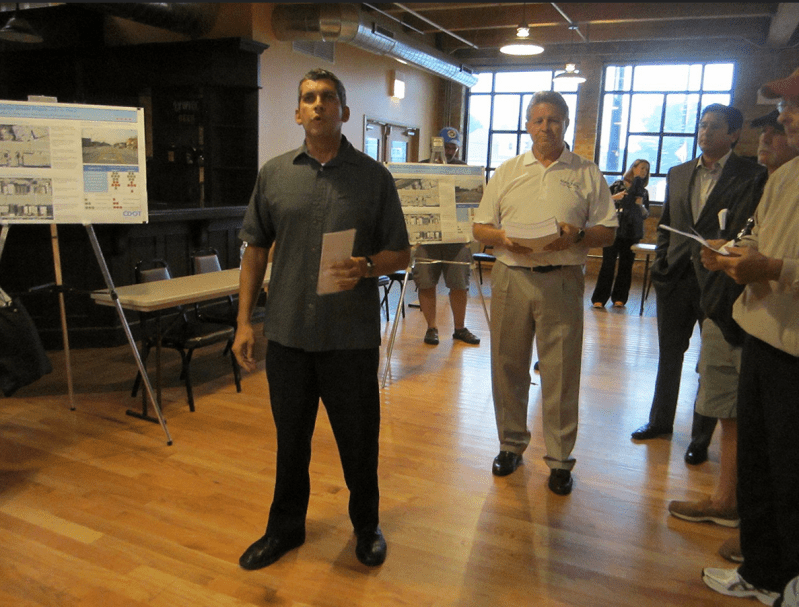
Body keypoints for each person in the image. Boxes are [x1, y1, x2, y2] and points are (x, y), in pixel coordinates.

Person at [232, 68, 410, 570]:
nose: (317, 105)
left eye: (327, 97)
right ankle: (285, 530)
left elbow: (401, 252)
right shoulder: (274, 174)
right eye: (308, 97)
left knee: (358, 441)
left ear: (344, 111)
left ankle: (366, 527)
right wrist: (245, 322)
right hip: (287, 333)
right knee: (291, 443)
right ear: (297, 112)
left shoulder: (374, 178)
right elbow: (255, 249)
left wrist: (368, 265)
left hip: (348, 337)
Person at [472, 91, 617, 495]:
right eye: (537, 120)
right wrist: (501, 236)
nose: (545, 127)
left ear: (567, 124)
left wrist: (579, 234)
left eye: (554, 120)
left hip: (563, 279)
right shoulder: (507, 170)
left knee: (561, 371)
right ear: (527, 125)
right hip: (511, 276)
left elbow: (608, 230)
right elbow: (480, 227)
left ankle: (559, 460)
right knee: (508, 366)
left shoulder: (587, 172)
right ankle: (511, 445)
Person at [700, 67, 799, 606]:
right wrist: (733, 255)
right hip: (760, 334)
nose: (783, 118)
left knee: (791, 474)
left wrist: (772, 266)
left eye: (794, 108)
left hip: (795, 350)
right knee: (759, 466)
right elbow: (761, 237)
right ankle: (762, 572)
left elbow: (782, 260)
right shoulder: (785, 174)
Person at [630, 104, 765, 468]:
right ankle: (660, 422)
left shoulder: (753, 175)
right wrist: (660, 265)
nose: (704, 132)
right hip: (674, 278)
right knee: (669, 355)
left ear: (733, 134)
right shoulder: (678, 172)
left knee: (711, 363)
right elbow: (666, 224)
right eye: (701, 125)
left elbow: (751, 230)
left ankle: (700, 439)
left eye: (713, 126)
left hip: (719, 281)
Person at [668, 111, 780, 530]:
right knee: (726, 405)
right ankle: (727, 500)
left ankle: (762, 534)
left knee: (763, 419)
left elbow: (771, 255)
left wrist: (755, 261)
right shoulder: (771, 181)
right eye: (767, 125)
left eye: (781, 126)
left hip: (768, 319)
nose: (767, 135)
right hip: (721, 304)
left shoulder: (759, 177)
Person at [413, 127, 480, 346]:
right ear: (436, 145)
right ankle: (431, 327)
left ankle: (459, 328)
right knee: (426, 282)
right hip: (426, 236)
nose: (449, 151)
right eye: (446, 146)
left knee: (459, 284)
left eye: (453, 147)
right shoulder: (421, 168)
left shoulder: (465, 171)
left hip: (456, 237)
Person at [591, 158, 651, 308]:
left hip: (632, 232)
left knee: (626, 264)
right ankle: (599, 298)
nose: (644, 172)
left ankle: (620, 297)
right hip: (614, 229)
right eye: (642, 168)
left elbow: (646, 214)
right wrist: (614, 198)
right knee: (608, 263)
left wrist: (640, 206)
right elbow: (601, 202)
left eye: (646, 170)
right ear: (634, 168)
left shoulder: (643, 192)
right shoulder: (618, 185)